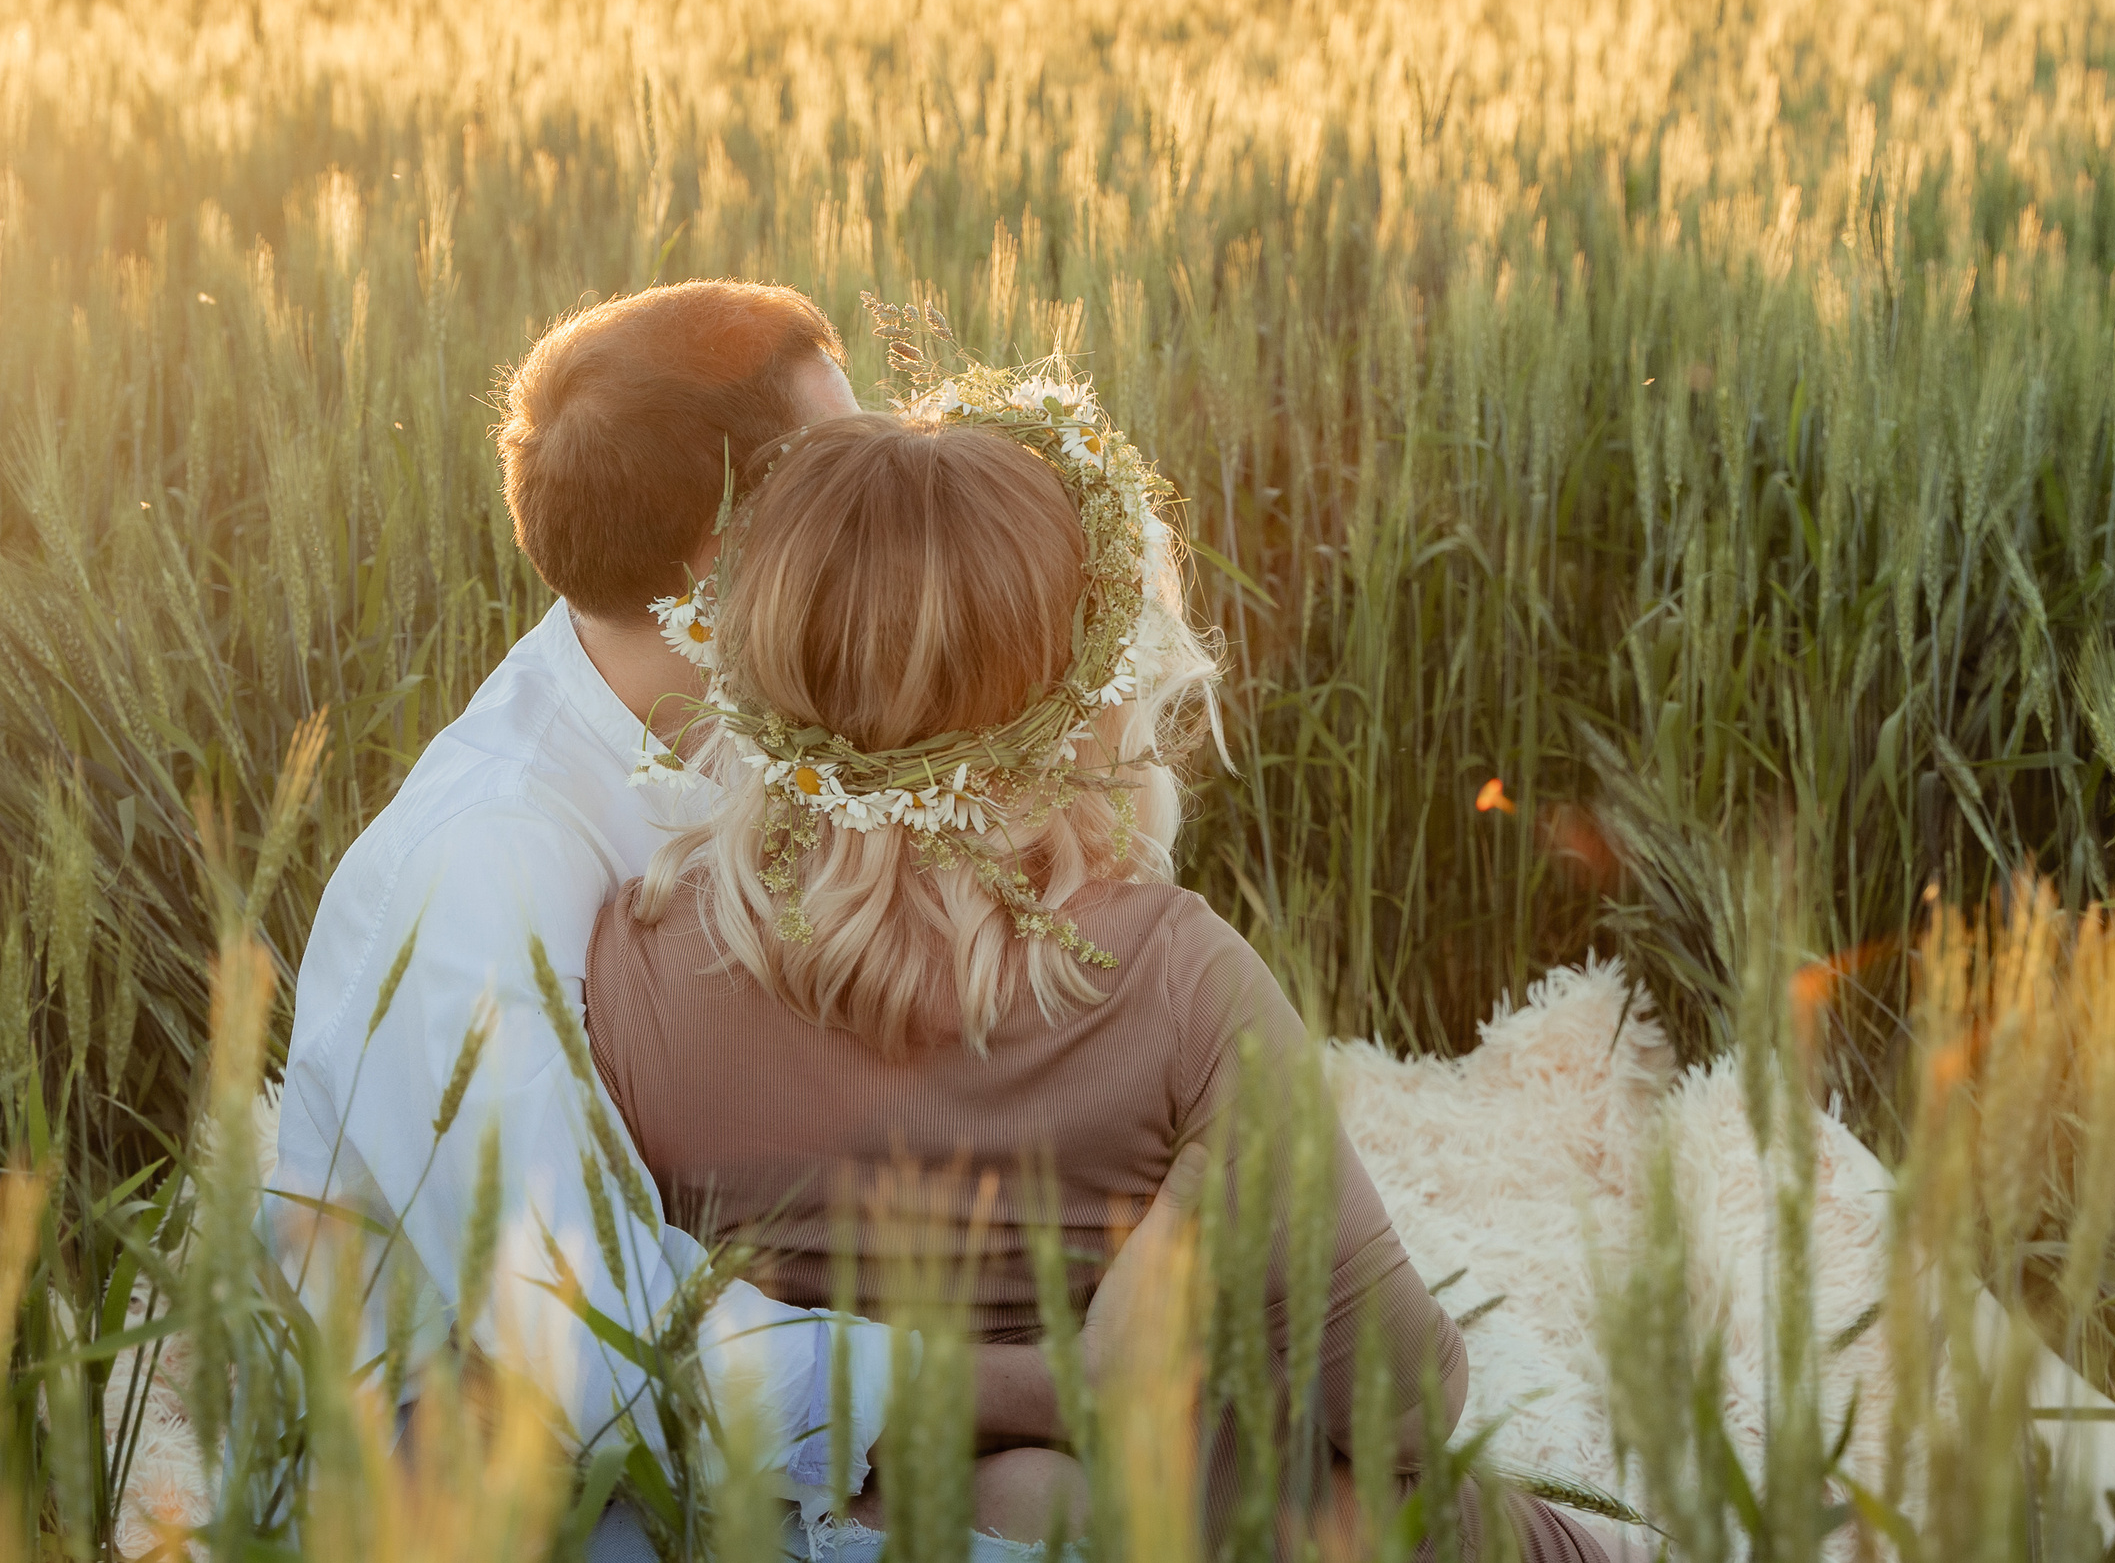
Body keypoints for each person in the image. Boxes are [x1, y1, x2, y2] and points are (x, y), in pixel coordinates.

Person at [582, 387, 1607, 1561]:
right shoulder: (1173, 979)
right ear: (1080, 686)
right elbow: (1406, 1402)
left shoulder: (630, 963)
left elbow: (632, 1339)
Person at [263, 283, 1184, 1560]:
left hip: (759, 1373)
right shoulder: (476, 870)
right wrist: (1054, 1380)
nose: (887, 492)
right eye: (843, 464)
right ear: (719, 548)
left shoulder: (769, 722)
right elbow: (596, 1357)